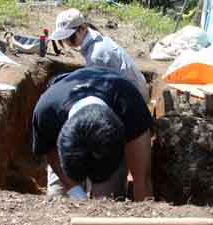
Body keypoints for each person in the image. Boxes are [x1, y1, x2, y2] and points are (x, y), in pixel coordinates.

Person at [32, 67, 153, 201]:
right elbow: (51, 152)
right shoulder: (46, 112)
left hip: (110, 138)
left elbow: (141, 180)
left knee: (107, 200)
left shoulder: (131, 107)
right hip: (66, 133)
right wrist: (74, 190)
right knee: (59, 199)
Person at [49, 8, 149, 102]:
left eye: (68, 36)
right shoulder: (97, 43)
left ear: (83, 28)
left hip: (134, 102)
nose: (66, 41)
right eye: (63, 38)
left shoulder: (97, 54)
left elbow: (96, 92)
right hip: (134, 93)